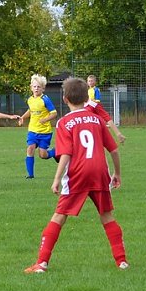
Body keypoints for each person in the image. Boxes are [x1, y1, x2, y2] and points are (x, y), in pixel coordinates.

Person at [24, 77, 127, 273]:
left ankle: (42, 263)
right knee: (107, 216)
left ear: (65, 99)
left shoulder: (64, 123)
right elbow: (113, 150)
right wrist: (117, 174)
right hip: (99, 173)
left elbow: (66, 154)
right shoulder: (96, 120)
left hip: (78, 174)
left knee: (59, 216)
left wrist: (56, 179)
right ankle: (122, 261)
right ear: (85, 98)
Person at [17, 74, 57, 179]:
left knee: (43, 155)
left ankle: (56, 152)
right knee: (30, 148)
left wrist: (45, 119)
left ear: (43, 88)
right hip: (32, 130)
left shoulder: (45, 99)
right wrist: (23, 118)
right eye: (34, 86)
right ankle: (30, 175)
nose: (36, 88)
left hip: (45, 132)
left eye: (39, 87)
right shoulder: (30, 99)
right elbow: (31, 111)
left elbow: (54, 113)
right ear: (31, 87)